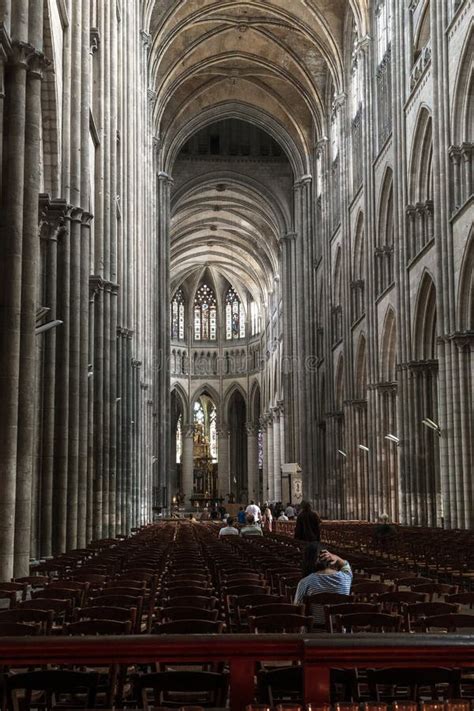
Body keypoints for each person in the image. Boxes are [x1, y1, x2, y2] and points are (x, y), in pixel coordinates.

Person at [294, 542, 352, 626]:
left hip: (314, 632)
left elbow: (298, 609)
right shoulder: (346, 577)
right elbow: (345, 564)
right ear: (328, 557)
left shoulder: (305, 582)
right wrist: (336, 557)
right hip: (340, 631)